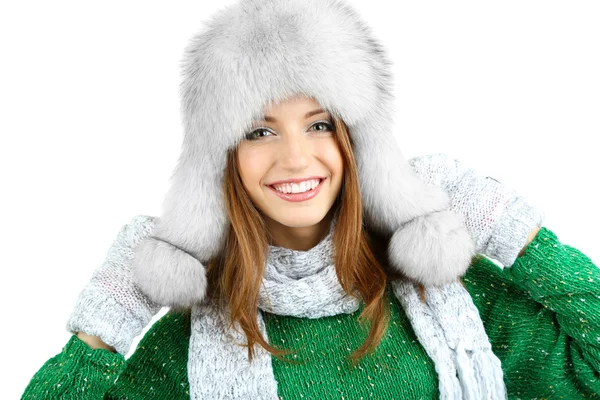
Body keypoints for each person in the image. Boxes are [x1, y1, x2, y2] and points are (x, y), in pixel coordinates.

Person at [22, 0, 600, 399]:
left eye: (320, 124)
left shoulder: (453, 302)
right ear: (219, 161)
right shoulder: (187, 347)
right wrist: (105, 321)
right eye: (258, 130)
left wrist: (514, 232)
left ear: (362, 143)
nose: (296, 158)